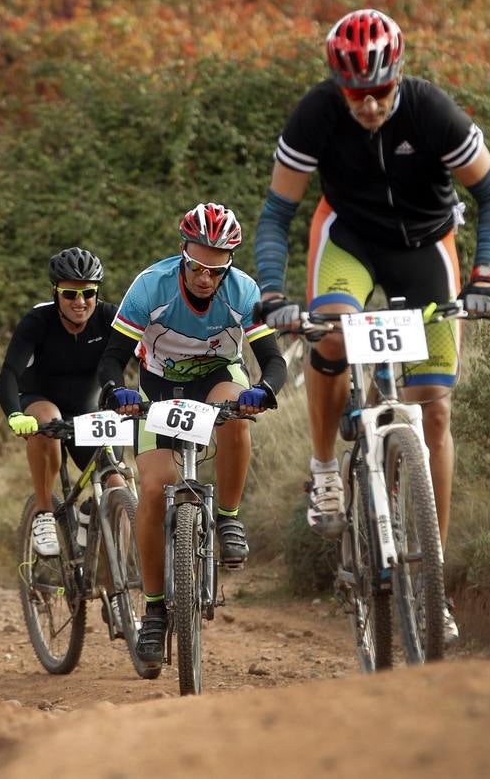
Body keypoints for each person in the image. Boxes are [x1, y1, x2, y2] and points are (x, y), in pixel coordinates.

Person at [254, 9, 490, 645]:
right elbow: (276, 213)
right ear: (338, 88)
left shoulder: (432, 111)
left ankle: (433, 586)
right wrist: (273, 293)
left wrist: (483, 275)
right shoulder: (316, 114)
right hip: (347, 241)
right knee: (333, 332)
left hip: (427, 248)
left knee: (436, 412)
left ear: (397, 77)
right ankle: (323, 473)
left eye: (379, 92)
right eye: (355, 95)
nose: (368, 106)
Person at [98, 202, 287, 665]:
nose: (206, 279)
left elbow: (275, 362)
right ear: (183, 253)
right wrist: (113, 390)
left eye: (216, 270)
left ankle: (227, 516)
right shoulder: (150, 286)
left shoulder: (242, 291)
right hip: (157, 386)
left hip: (216, 378)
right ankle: (156, 612)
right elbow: (112, 356)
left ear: (229, 267)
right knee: (151, 488)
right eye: (197, 266)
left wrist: (263, 390)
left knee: (239, 413)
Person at [0, 247, 117, 557]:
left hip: (87, 411)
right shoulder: (38, 320)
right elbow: (8, 374)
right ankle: (44, 512)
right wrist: (14, 414)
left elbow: (144, 359)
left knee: (117, 487)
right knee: (47, 420)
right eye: (69, 294)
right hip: (41, 401)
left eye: (88, 293)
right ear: (56, 293)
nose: (80, 302)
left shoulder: (107, 318)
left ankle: (117, 587)